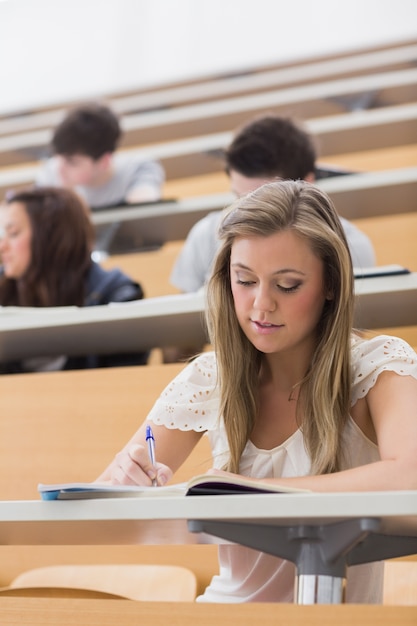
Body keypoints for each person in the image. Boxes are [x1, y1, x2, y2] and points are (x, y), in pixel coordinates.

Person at [97, 180, 417, 604]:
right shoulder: (209, 377)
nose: (260, 306)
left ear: (331, 285)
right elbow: (109, 496)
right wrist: (126, 479)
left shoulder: (378, 366)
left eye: (287, 285)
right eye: (244, 280)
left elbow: (409, 476)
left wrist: (251, 495)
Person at [170, 115, 376, 294]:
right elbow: (186, 333)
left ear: (307, 183)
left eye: (263, 201)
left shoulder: (349, 245)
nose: (245, 213)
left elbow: (348, 332)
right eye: (238, 198)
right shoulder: (207, 234)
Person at [0, 187, 148, 373]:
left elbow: (125, 385)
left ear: (51, 237)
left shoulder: (117, 296)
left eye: (13, 233)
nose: (2, 246)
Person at [36, 102, 165, 210]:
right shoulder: (50, 174)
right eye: (58, 156)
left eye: (72, 162)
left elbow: (143, 217)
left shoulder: (138, 169)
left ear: (104, 161)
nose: (60, 169)